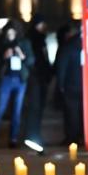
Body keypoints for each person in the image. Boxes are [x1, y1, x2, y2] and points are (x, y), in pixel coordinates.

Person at [0, 20, 34, 148]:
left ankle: (13, 139)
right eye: (8, 33)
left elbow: (31, 60)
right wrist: (3, 57)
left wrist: (23, 56)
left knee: (17, 111)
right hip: (5, 79)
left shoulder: (24, 43)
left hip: (20, 79)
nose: (10, 36)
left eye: (13, 33)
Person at [23, 14, 53, 146]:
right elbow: (34, 60)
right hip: (35, 77)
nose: (44, 26)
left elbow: (44, 58)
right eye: (42, 24)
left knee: (39, 107)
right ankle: (32, 136)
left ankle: (35, 135)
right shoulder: (32, 39)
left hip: (41, 77)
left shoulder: (41, 39)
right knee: (34, 107)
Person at [54, 21, 83, 145]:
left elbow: (62, 66)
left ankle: (72, 137)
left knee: (71, 112)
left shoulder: (68, 45)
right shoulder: (87, 43)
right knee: (81, 112)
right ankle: (81, 136)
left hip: (70, 84)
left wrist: (60, 84)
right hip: (85, 84)